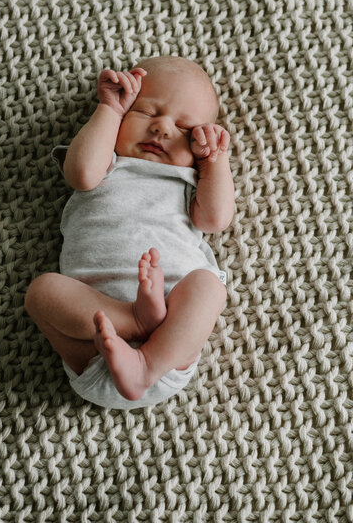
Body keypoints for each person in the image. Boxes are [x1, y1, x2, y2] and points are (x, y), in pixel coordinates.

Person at [25, 55, 235, 409]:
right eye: (146, 113)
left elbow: (215, 219)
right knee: (41, 292)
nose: (162, 129)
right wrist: (109, 108)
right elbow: (78, 173)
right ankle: (133, 320)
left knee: (208, 286)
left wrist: (215, 162)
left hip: (169, 343)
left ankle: (146, 361)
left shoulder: (187, 180)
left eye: (185, 129)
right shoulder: (106, 163)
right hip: (93, 342)